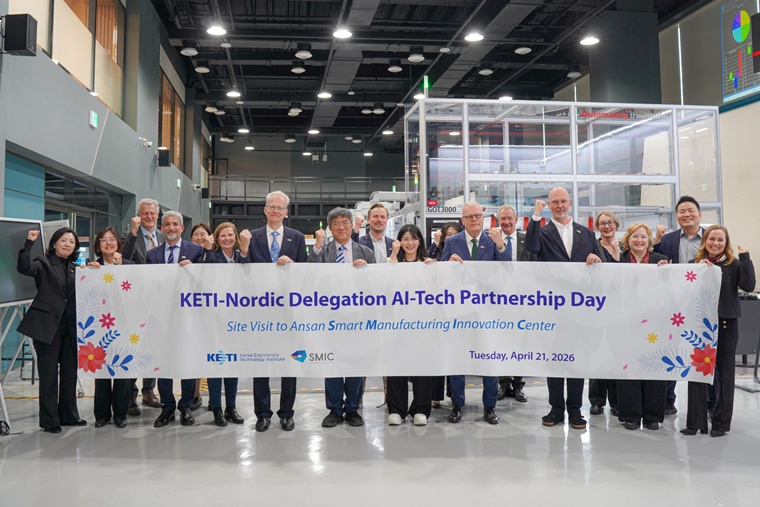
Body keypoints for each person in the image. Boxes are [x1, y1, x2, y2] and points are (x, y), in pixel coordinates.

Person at [524, 187, 602, 430]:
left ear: (570, 203)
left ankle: (575, 410)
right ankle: (556, 408)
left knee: (576, 359)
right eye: (554, 202)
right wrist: (535, 217)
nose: (559, 206)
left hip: (579, 308)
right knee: (555, 359)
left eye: (563, 201)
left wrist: (595, 259)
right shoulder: (542, 231)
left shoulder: (586, 233)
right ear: (549, 205)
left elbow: (601, 264)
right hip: (553, 308)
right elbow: (531, 248)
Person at [681, 225, 755, 437]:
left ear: (726, 242)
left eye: (720, 240)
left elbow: (748, 286)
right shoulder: (694, 264)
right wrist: (698, 271)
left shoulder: (735, 264)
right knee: (697, 372)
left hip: (726, 323)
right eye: (712, 239)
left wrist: (746, 258)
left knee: (724, 373)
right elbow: (684, 291)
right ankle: (695, 423)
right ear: (705, 241)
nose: (715, 243)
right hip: (700, 324)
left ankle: (721, 423)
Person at [441, 201, 509, 425]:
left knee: (489, 358)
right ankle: (457, 404)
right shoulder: (452, 241)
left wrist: (501, 247)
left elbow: (507, 269)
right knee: (457, 358)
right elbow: (441, 273)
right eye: (469, 217)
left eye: (477, 216)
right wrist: (448, 263)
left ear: (483, 217)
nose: (474, 220)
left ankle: (490, 406)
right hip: (460, 311)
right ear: (462, 220)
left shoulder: (493, 240)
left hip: (487, 310)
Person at [243, 191, 306, 432]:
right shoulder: (252, 237)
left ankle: (287, 413)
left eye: (280, 208)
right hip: (260, 310)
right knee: (261, 362)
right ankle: (262, 414)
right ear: (265, 210)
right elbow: (243, 270)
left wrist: (293, 266)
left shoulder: (296, 237)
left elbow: (306, 271)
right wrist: (244, 251)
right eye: (272, 207)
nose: (275, 211)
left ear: (286, 212)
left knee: (290, 362)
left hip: (288, 311)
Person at [308, 207, 376, 428]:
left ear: (351, 225)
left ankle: (353, 409)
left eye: (345, 223)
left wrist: (365, 272)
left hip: (357, 318)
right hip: (330, 317)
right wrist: (317, 246)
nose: (341, 227)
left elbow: (375, 285)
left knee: (355, 362)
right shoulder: (323, 252)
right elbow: (310, 274)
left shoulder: (365, 252)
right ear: (330, 228)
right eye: (336, 223)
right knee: (332, 362)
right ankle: (335, 409)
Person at [17, 227, 86, 434]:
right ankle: (50, 421)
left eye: (71, 242)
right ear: (54, 243)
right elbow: (24, 268)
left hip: (70, 327)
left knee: (69, 374)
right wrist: (28, 244)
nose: (67, 244)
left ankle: (69, 415)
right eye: (63, 240)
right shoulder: (43, 263)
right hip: (47, 327)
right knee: (48, 376)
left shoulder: (76, 268)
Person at [146, 211, 203, 428]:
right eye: (167, 224)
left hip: (188, 317)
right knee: (164, 363)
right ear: (162, 228)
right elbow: (148, 285)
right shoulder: (152, 255)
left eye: (175, 224)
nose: (171, 228)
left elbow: (205, 282)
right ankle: (167, 407)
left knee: (187, 360)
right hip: (162, 318)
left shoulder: (196, 251)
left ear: (181, 227)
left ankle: (186, 406)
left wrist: (193, 270)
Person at [654, 195, 704, 415]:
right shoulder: (668, 240)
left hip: (702, 305)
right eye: (682, 211)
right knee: (671, 350)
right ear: (677, 216)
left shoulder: (711, 238)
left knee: (703, 354)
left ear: (699, 214)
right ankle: (667, 401)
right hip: (673, 306)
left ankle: (708, 403)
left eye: (690, 210)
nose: (686, 214)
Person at [615, 223, 669, 431]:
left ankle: (652, 416)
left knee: (654, 365)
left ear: (649, 240)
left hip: (654, 323)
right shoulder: (618, 261)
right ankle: (630, 415)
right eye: (635, 236)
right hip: (626, 322)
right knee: (628, 367)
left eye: (643, 237)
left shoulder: (660, 260)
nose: (639, 240)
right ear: (628, 240)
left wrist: (668, 273)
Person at [385, 224, 435, 426]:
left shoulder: (428, 264)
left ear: (420, 241)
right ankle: (396, 409)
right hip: (397, 325)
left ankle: (421, 409)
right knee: (396, 365)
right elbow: (384, 285)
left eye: (413, 238)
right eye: (405, 239)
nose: (410, 243)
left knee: (422, 366)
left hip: (423, 325)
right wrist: (393, 255)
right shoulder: (392, 264)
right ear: (399, 242)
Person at [85, 227, 135, 429]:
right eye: (103, 240)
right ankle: (101, 414)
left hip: (124, 325)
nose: (108, 243)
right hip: (100, 326)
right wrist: (87, 272)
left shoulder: (129, 266)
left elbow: (134, 294)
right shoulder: (92, 268)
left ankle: (121, 414)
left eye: (112, 239)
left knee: (122, 371)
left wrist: (120, 269)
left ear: (118, 243)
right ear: (98, 245)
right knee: (102, 371)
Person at [200, 222, 248, 427]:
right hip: (214, 319)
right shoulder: (211, 256)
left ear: (235, 237)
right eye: (223, 236)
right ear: (217, 239)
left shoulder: (241, 256)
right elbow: (201, 272)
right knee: (216, 364)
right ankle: (216, 408)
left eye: (230, 235)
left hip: (236, 320)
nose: (227, 239)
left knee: (232, 364)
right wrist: (206, 249)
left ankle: (231, 406)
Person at [121, 197, 164, 413]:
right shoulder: (128, 236)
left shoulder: (165, 237)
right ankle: (130, 395)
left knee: (153, 347)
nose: (148, 216)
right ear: (138, 215)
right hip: (134, 302)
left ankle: (149, 390)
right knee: (134, 347)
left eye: (152, 213)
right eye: (144, 213)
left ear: (158, 215)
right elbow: (124, 258)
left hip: (158, 302)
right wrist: (133, 232)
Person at [495, 204, 537, 404]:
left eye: (509, 218)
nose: (506, 222)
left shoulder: (526, 240)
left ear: (516, 220)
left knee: (522, 343)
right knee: (501, 342)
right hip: (498, 301)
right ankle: (503, 384)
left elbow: (536, 267)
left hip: (523, 300)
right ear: (498, 221)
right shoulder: (491, 240)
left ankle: (518, 385)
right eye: (502, 219)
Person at [588, 210, 622, 417]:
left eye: (610, 222)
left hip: (621, 310)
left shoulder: (626, 247)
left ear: (616, 225)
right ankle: (597, 400)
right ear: (598, 227)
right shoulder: (593, 248)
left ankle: (617, 401)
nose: (607, 226)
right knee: (599, 354)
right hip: (598, 308)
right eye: (602, 223)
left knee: (617, 354)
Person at [429, 222, 462, 408]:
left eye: (454, 234)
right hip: (438, 308)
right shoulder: (437, 250)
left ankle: (453, 393)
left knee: (454, 353)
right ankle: (435, 395)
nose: (451, 237)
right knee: (439, 353)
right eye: (448, 234)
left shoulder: (463, 251)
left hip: (458, 309)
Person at [189, 222, 215, 411]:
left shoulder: (215, 253)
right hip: (193, 311)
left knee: (212, 355)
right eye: (196, 235)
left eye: (203, 234)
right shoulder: (188, 254)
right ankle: (195, 394)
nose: (199, 238)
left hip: (212, 311)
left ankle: (215, 399)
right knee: (195, 354)